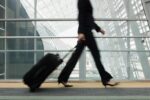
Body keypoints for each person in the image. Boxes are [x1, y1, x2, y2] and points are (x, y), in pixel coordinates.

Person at [58, 0, 119, 88]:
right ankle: (106, 79)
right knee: (96, 56)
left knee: (75, 57)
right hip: (86, 33)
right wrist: (81, 32)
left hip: (85, 32)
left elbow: (88, 17)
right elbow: (82, 16)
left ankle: (63, 78)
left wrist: (98, 29)